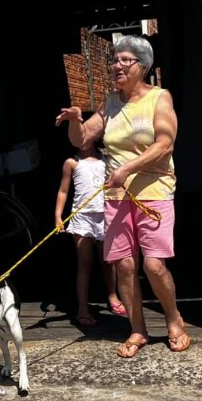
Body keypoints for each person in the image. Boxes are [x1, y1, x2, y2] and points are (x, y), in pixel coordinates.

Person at [54, 35, 189, 358]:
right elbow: (84, 137)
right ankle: (138, 329)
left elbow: (165, 144)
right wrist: (75, 120)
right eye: (114, 60)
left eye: (124, 60)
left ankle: (174, 320)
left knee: (155, 265)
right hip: (116, 196)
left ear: (142, 65)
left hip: (154, 192)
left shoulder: (159, 98)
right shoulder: (110, 102)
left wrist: (127, 168)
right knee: (125, 266)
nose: (116, 65)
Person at [54, 139, 125, 326]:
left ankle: (113, 296)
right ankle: (83, 309)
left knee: (108, 261)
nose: (82, 140)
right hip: (82, 218)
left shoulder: (107, 159)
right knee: (85, 263)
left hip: (105, 216)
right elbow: (63, 190)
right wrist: (58, 216)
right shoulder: (72, 163)